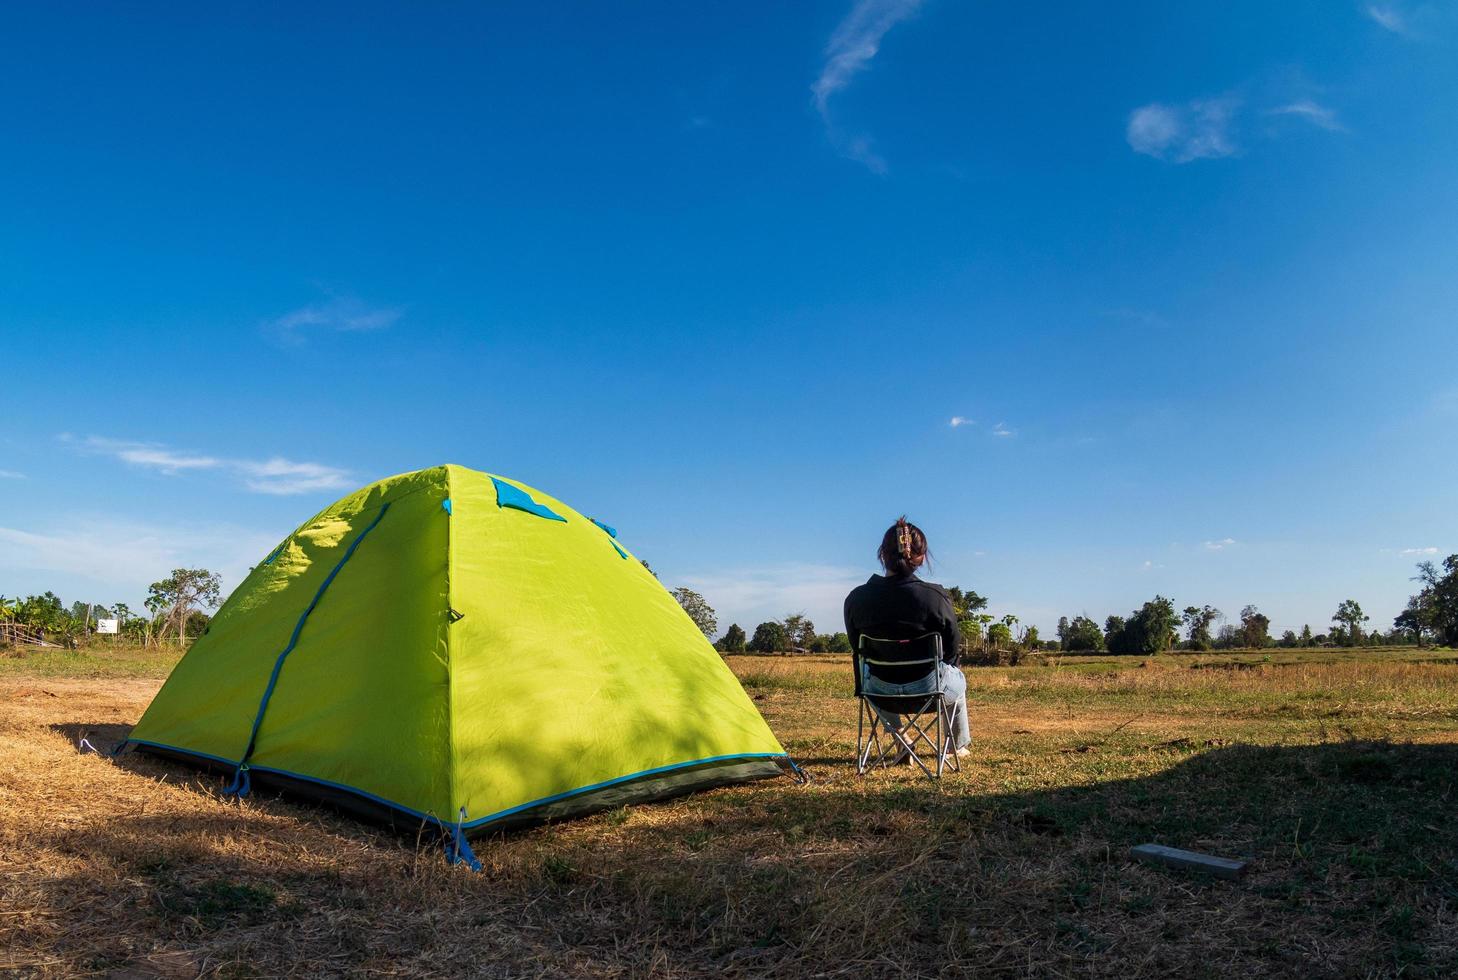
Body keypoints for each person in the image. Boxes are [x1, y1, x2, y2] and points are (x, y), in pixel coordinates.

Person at [843, 517, 971, 760]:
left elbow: (857, 648)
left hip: (880, 692)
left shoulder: (856, 599)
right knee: (957, 677)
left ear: (883, 554)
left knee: (869, 674)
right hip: (930, 689)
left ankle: (902, 740)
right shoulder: (935, 596)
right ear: (921, 557)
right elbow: (952, 650)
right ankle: (956, 746)